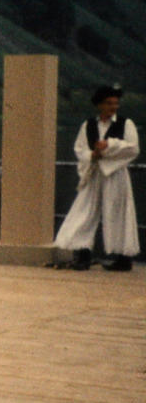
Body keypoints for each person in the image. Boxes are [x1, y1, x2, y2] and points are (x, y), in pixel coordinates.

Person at [53, 85, 139, 271]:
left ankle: (123, 258)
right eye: (109, 103)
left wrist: (110, 146)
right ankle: (82, 254)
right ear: (100, 105)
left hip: (115, 173)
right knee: (84, 211)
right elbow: (80, 148)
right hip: (94, 173)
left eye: (115, 103)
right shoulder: (89, 125)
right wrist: (92, 155)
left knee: (118, 213)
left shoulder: (126, 124)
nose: (113, 107)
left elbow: (133, 148)